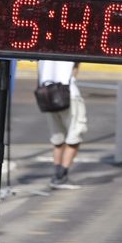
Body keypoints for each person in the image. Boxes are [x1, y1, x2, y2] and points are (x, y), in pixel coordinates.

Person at [38, 59, 85, 189]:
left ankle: (56, 175)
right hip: (68, 92)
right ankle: (61, 176)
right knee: (75, 135)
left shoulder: (44, 46)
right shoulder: (70, 44)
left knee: (57, 137)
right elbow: (75, 69)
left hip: (46, 92)